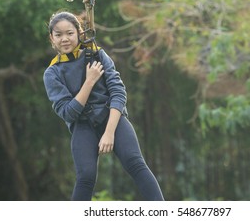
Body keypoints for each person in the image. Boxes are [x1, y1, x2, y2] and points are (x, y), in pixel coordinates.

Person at [43, 11, 164, 201]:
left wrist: (109, 132)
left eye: (69, 33)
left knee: (136, 164)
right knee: (86, 177)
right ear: (52, 38)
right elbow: (68, 113)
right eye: (58, 35)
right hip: (82, 125)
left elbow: (118, 92)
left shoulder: (97, 54)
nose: (64, 39)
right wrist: (89, 81)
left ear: (79, 33)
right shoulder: (52, 73)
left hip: (113, 118)